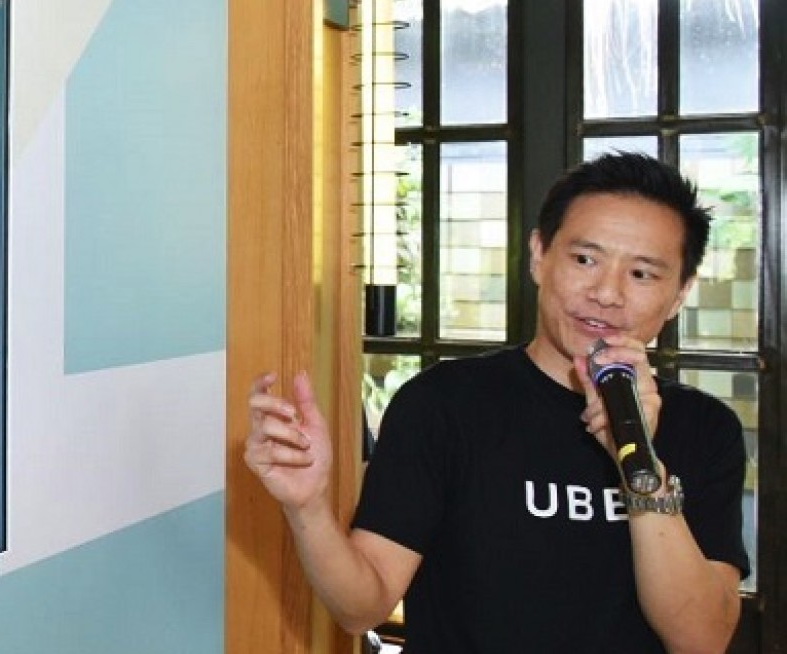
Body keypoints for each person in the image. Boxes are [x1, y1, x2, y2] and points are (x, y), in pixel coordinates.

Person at [246, 152, 749, 652]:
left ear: (679, 293)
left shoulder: (706, 428)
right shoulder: (443, 403)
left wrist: (641, 469)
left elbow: (701, 640)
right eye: (585, 259)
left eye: (641, 274)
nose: (606, 293)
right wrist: (307, 508)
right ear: (538, 255)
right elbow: (362, 607)